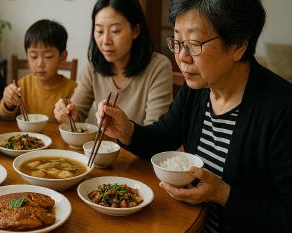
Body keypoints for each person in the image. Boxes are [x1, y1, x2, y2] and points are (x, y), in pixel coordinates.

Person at [96, 0, 292, 232]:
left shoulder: (282, 108)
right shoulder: (197, 90)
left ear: (238, 45)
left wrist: (222, 194)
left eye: (195, 43)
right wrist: (127, 130)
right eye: (178, 42)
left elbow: (286, 215)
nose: (182, 57)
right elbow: (162, 138)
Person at [54, 0, 172, 126]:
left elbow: (155, 131)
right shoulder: (93, 66)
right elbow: (78, 114)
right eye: (99, 31)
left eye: (115, 31)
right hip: (102, 146)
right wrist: (68, 113)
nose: (105, 41)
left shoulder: (158, 66)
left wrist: (125, 130)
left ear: (136, 30)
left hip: (140, 146)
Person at [0, 19, 76, 123]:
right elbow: (3, 117)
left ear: (62, 57)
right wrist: (8, 103)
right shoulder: (22, 85)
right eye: (33, 56)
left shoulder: (72, 89)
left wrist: (69, 117)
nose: (40, 64)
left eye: (48, 56)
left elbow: (77, 124)